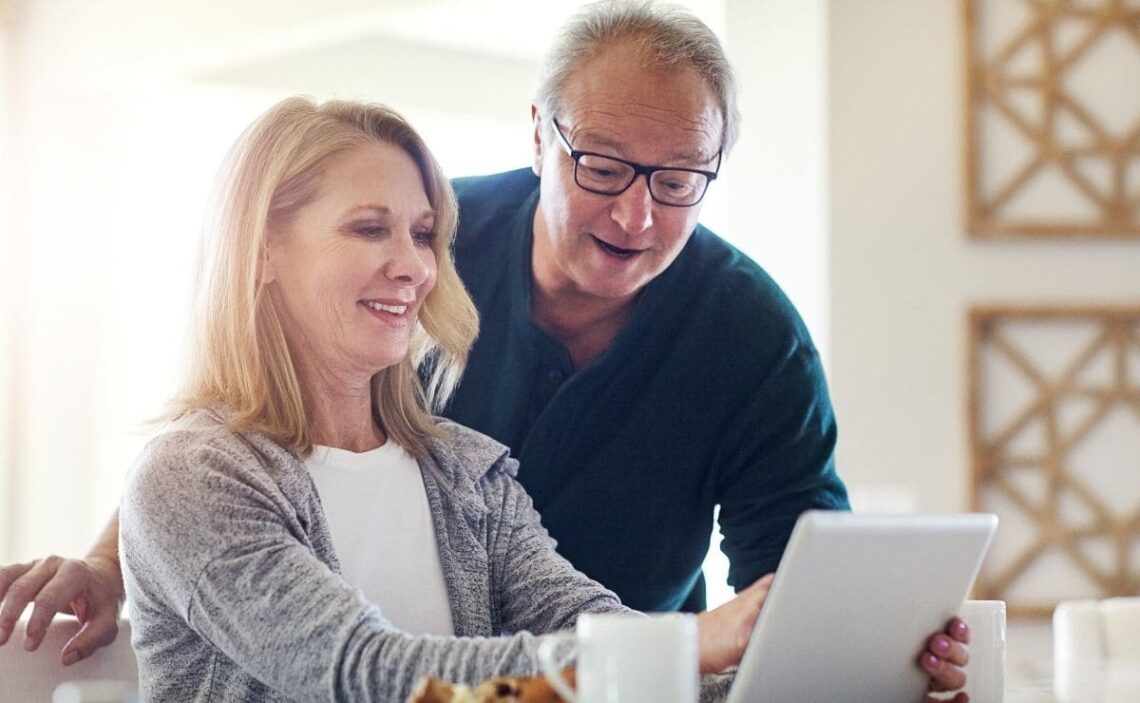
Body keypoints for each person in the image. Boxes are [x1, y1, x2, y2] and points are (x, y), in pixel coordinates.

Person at [0, 2, 969, 694]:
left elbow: (721, 604)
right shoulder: (209, 470)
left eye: (680, 180)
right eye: (604, 165)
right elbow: (352, 653)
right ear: (541, 137)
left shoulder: (470, 463)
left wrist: (863, 657)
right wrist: (114, 557)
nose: (638, 211)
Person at [115, 95, 772, 701]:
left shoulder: (466, 471)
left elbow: (585, 621)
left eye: (424, 234)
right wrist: (681, 646)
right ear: (262, 252)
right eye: (370, 229)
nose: (415, 266)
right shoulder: (192, 476)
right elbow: (367, 672)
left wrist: (779, 671)